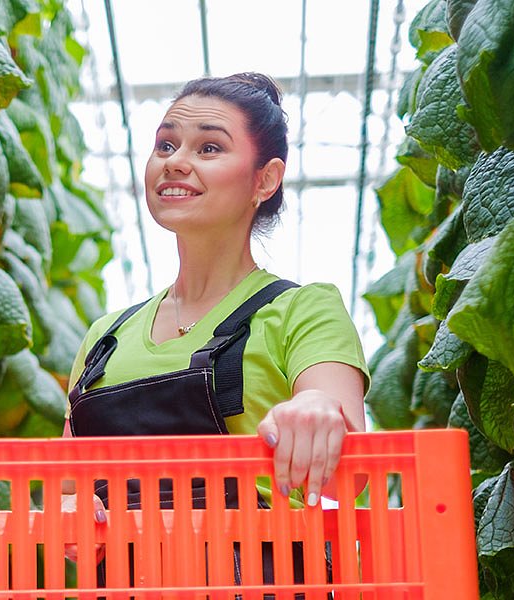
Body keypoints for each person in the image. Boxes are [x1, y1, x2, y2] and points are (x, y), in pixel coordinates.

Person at [62, 72, 370, 589]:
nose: (175, 161)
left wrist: (318, 409)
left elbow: (341, 428)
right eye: (165, 144)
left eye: (208, 146)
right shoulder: (105, 339)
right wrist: (72, 513)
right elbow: (65, 487)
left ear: (264, 180)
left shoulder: (301, 310)